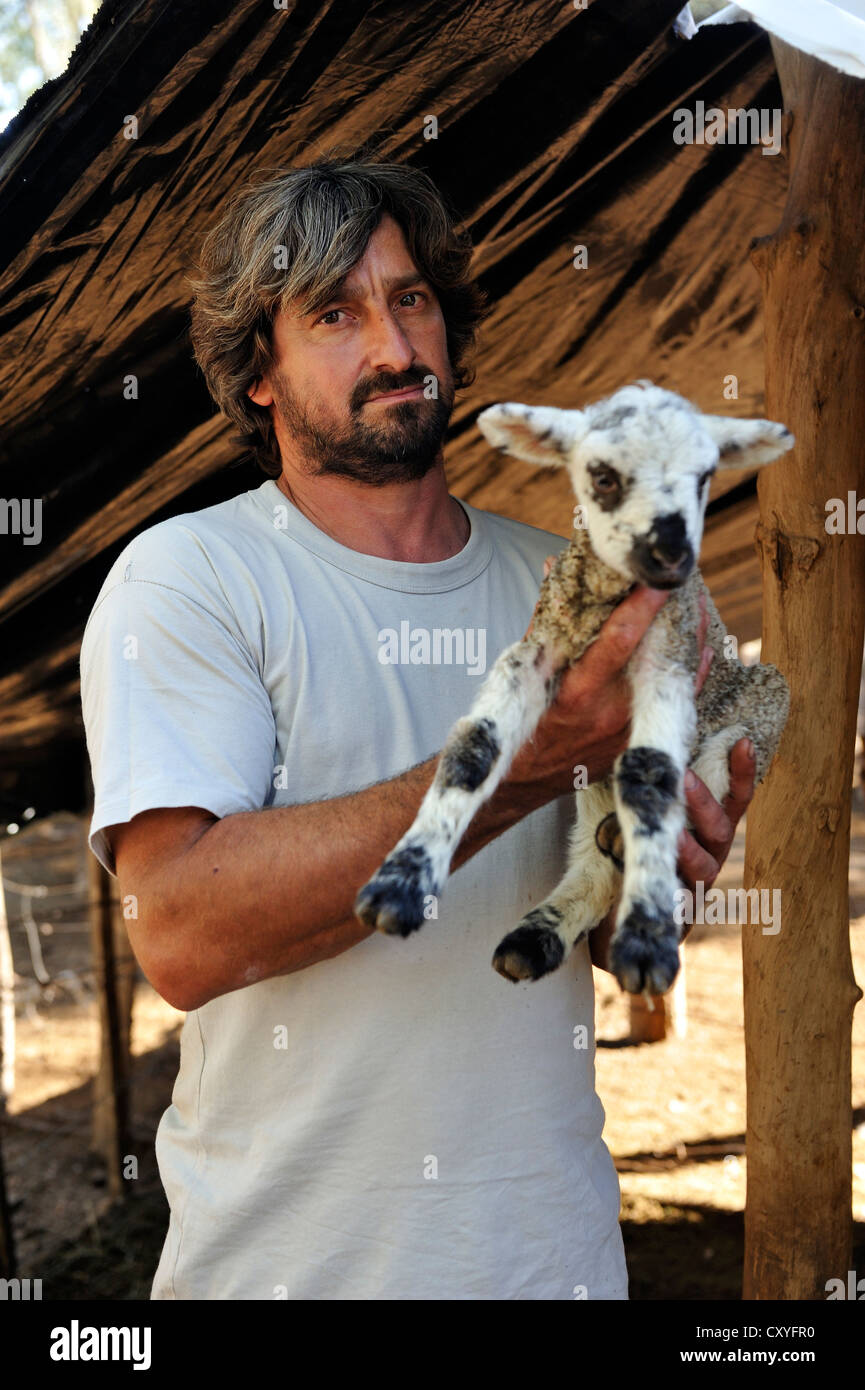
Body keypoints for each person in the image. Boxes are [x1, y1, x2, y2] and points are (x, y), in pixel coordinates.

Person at [79, 154, 755, 1300]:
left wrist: (663, 851)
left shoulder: (571, 585)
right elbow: (183, 937)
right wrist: (528, 766)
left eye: (412, 299)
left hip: (552, 1266)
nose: (394, 348)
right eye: (333, 312)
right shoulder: (191, 578)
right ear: (257, 371)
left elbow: (604, 943)